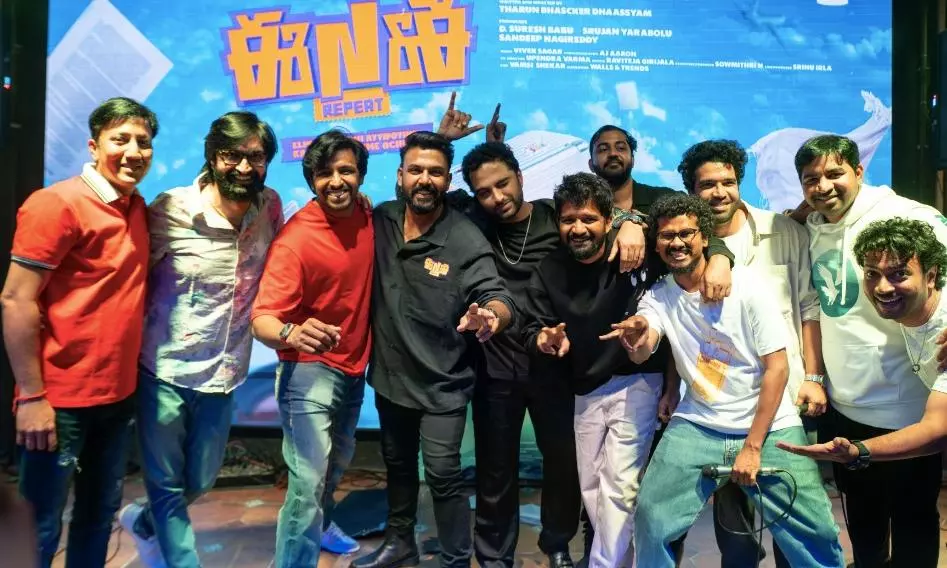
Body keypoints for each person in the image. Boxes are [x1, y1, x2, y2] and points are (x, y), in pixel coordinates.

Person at [609, 194, 844, 568]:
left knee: (816, 532)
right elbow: (645, 344)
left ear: (705, 238)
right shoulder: (659, 295)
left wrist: (752, 447)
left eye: (686, 233)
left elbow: (778, 368)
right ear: (657, 243)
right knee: (652, 517)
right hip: (699, 422)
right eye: (667, 236)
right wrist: (636, 339)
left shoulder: (748, 286)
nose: (677, 242)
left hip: (770, 424)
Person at [119, 111, 284, 568]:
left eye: (256, 157)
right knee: (166, 485)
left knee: (202, 480)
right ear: (212, 156)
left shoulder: (269, 208)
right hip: (164, 370)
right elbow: (130, 278)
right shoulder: (169, 209)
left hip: (225, 372)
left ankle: (144, 522)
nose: (244, 167)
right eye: (232, 155)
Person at [1, 97, 157, 567]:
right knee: (41, 525)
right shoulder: (57, 204)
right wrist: (31, 397)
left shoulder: (135, 207)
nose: (133, 151)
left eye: (143, 142)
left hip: (116, 397)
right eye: (120, 139)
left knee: (98, 515)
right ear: (94, 146)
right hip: (59, 401)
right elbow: (16, 300)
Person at [353, 131, 516, 568]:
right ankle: (400, 543)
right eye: (416, 170)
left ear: (447, 180)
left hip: (442, 384)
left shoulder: (464, 238)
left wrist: (492, 315)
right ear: (400, 175)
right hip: (390, 379)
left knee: (443, 475)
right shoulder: (381, 220)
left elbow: (496, 294)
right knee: (398, 466)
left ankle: (455, 559)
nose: (425, 179)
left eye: (436, 172)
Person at [794, 134, 947, 567]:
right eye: (811, 179)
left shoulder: (908, 216)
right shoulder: (811, 224)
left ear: (859, 172)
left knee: (914, 524)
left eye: (835, 173)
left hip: (908, 408)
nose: (823, 186)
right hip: (845, 406)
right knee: (863, 524)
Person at [680, 139, 827, 567]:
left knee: (793, 513)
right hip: (721, 404)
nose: (719, 192)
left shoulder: (784, 231)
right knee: (734, 525)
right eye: (707, 185)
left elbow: (809, 308)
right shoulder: (686, 242)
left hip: (787, 395)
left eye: (728, 182)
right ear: (692, 190)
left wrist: (814, 377)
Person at [519, 172, 675, 567]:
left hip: (636, 381)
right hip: (583, 388)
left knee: (619, 488)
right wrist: (544, 340)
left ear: (608, 220)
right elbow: (533, 328)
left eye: (589, 218)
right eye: (568, 219)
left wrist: (634, 222)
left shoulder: (635, 252)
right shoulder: (549, 269)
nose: (578, 228)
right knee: (591, 488)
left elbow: (686, 235)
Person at [251, 130, 374, 566]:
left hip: (353, 368)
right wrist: (290, 333)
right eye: (325, 173)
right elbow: (262, 319)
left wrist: (442, 138)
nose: (336, 181)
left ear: (360, 176)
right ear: (311, 181)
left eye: (346, 171)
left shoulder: (366, 213)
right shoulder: (296, 240)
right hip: (307, 372)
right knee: (307, 486)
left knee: (334, 467)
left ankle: (322, 526)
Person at [779, 218, 947, 462]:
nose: (883, 287)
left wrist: (858, 452)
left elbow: (937, 430)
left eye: (900, 274)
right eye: (872, 274)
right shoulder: (915, 312)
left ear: (930, 276)